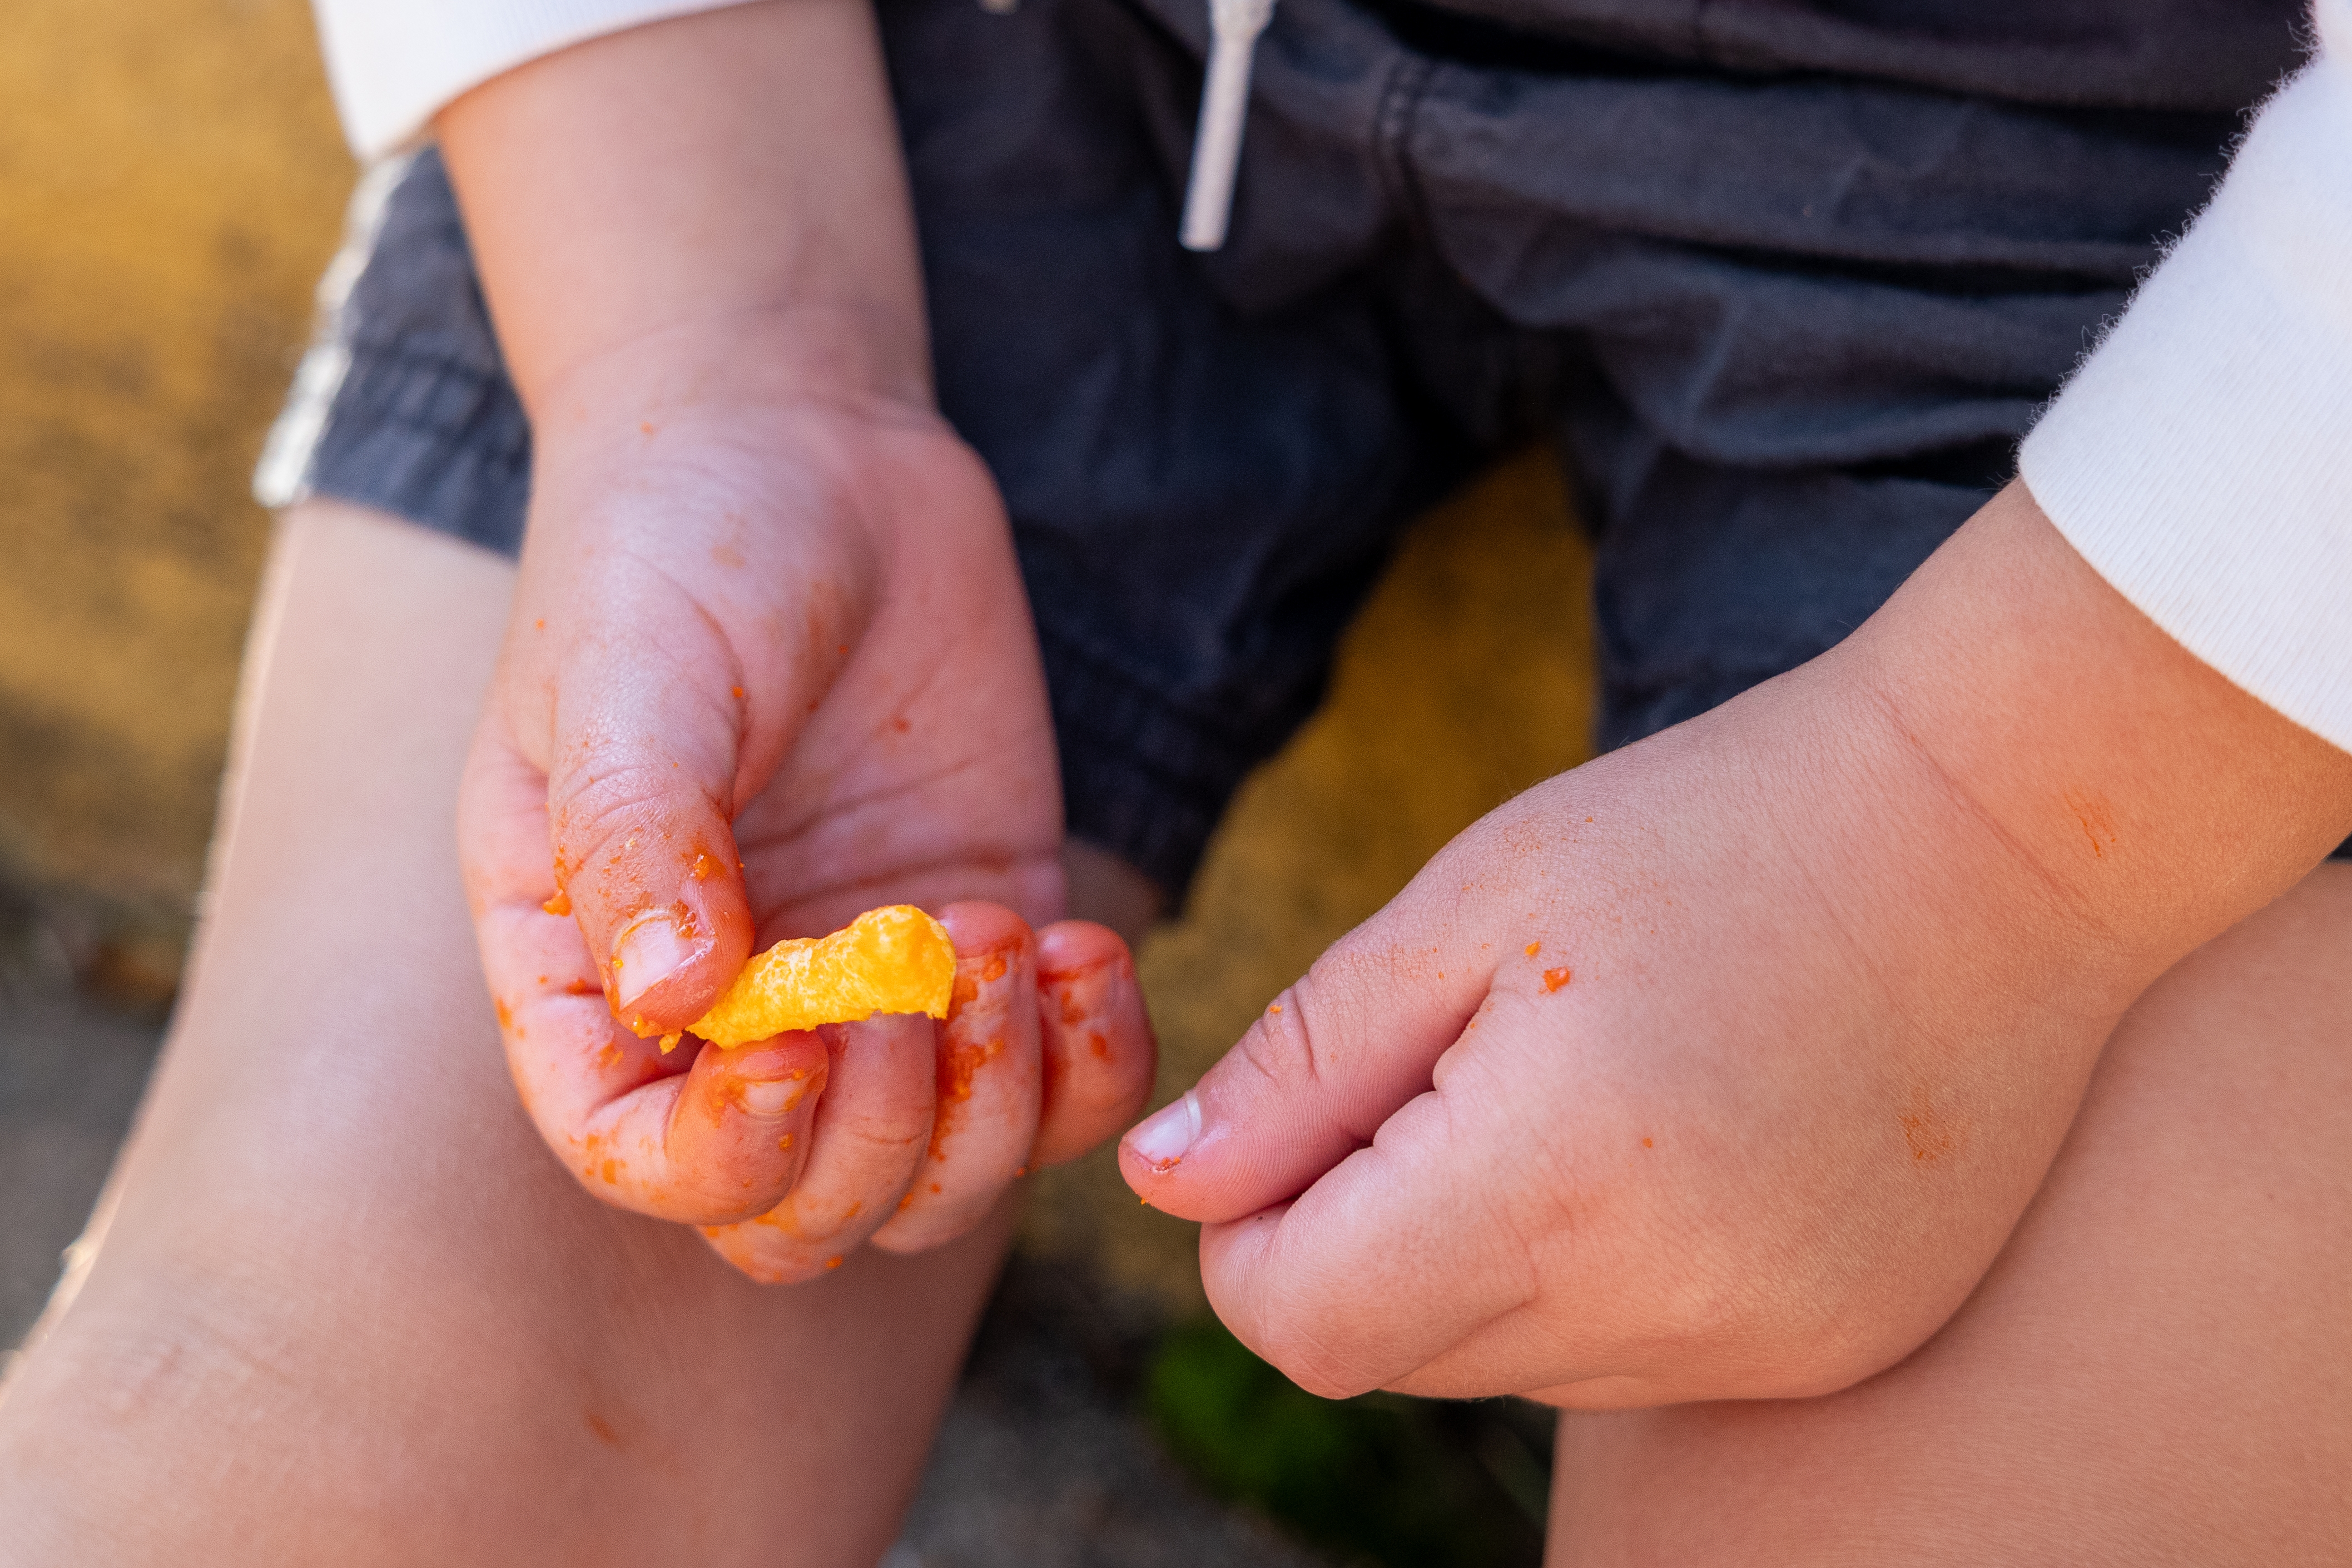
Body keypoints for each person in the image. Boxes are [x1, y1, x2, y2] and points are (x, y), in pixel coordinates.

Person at [2, 0, 2346, 1560]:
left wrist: (1990, 835)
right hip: (865, 84)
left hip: (2181, 239)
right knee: (306, 1400)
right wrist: (712, 344)